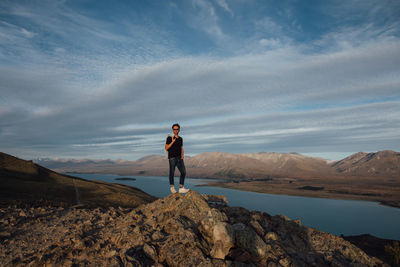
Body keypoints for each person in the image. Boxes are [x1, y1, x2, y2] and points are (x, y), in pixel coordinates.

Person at [165, 123, 190, 194]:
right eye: (174, 129)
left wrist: (182, 156)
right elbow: (166, 148)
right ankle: (172, 187)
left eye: (177, 129)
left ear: (179, 130)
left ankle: (181, 188)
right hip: (172, 158)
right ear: (172, 130)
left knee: (183, 172)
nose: (175, 130)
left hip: (179, 158)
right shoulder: (169, 138)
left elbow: (181, 147)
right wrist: (172, 142)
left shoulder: (181, 139)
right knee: (172, 172)